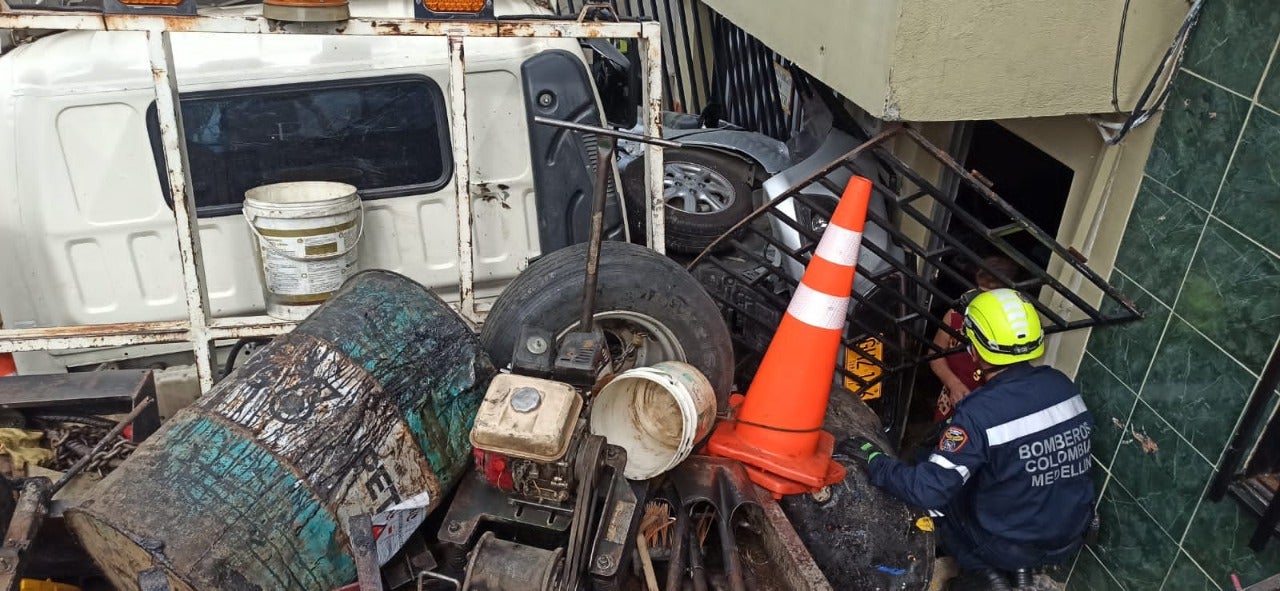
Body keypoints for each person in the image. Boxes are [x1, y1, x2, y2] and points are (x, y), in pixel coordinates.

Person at [845, 288, 1096, 591]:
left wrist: (875, 461)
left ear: (974, 349)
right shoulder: (1062, 385)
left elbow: (926, 490)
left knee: (934, 493)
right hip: (1070, 533)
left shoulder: (979, 414)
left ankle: (983, 575)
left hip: (1007, 546)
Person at [929, 256, 1021, 421]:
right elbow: (935, 355)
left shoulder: (1017, 327)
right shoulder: (959, 312)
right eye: (979, 291)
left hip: (989, 411)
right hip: (952, 403)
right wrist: (953, 384)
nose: (979, 299)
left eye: (988, 296)